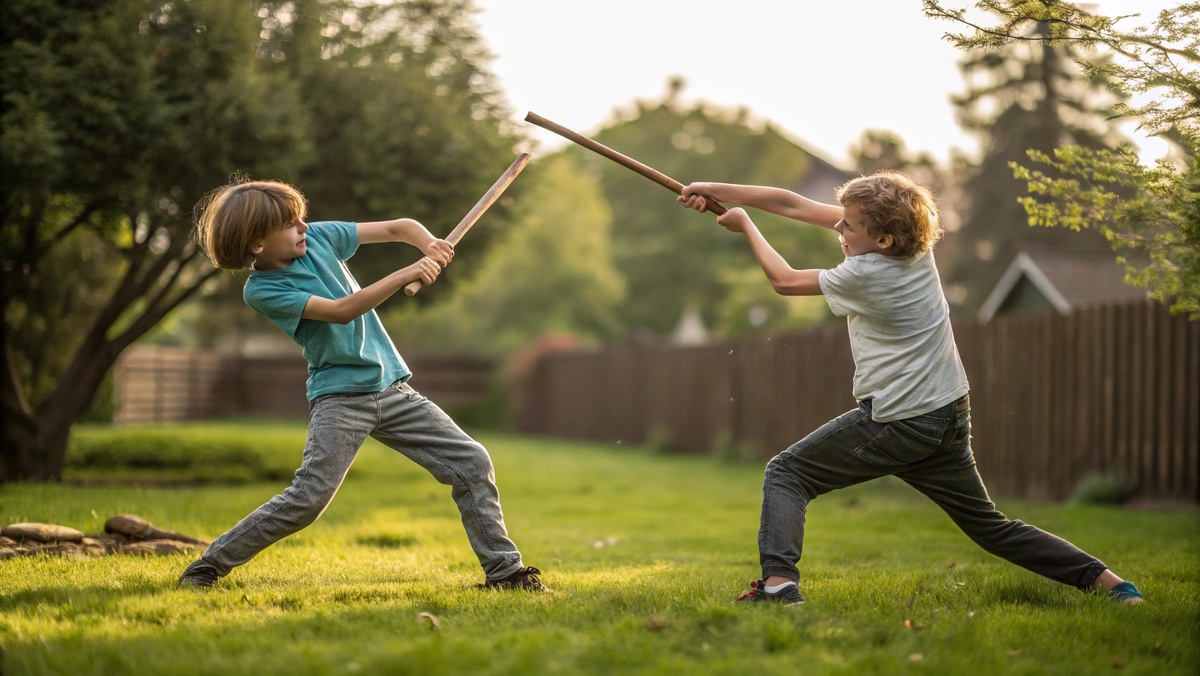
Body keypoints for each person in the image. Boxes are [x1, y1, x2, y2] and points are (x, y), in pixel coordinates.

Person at [677, 172, 1142, 606]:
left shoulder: (868, 275)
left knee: (787, 473)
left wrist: (746, 227)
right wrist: (714, 189)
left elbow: (784, 281)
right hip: (946, 414)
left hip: (900, 421)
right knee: (990, 526)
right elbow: (795, 204)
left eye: (849, 227)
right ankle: (1111, 583)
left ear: (883, 239)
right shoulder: (915, 251)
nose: (838, 228)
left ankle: (779, 585)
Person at [179, 178, 546, 592]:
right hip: (340, 400)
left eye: (301, 218)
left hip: (393, 389)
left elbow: (399, 227)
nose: (303, 227)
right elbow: (341, 311)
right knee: (307, 499)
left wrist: (428, 245)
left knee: (472, 463)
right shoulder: (263, 290)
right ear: (258, 244)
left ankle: (506, 573)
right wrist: (405, 272)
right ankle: (208, 566)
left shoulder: (318, 236)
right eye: (290, 224)